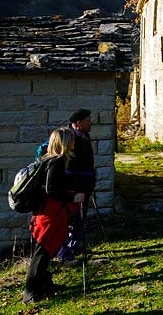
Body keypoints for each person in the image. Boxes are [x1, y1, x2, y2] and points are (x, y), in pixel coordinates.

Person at [24, 127, 81, 303]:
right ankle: (30, 291)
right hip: (49, 215)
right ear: (64, 142)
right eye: (71, 140)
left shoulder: (47, 160)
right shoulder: (56, 162)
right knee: (42, 252)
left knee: (45, 251)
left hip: (45, 212)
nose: (73, 143)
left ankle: (45, 284)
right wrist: (73, 196)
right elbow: (52, 190)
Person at [56, 109, 96, 263]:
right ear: (78, 123)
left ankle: (75, 247)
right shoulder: (71, 139)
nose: (91, 122)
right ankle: (65, 254)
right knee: (72, 220)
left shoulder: (82, 135)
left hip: (83, 186)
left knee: (79, 219)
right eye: (88, 120)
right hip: (75, 188)